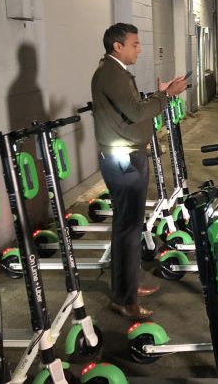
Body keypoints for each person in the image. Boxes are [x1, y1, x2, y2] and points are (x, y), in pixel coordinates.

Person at [91, 22, 187, 320]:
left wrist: (155, 95)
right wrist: (167, 95)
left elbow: (130, 107)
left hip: (127, 157)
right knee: (127, 230)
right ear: (117, 46)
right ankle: (124, 298)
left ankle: (130, 284)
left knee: (129, 227)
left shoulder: (116, 72)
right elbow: (135, 113)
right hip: (123, 161)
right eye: (134, 43)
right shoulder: (110, 73)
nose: (139, 48)